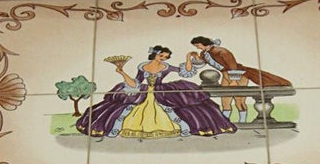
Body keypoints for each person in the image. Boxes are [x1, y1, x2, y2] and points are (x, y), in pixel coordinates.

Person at [82, 45, 234, 139]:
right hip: (144, 92)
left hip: (161, 92)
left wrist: (188, 57)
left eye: (165, 57)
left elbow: (185, 71)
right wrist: (121, 72)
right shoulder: (143, 66)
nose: (163, 59)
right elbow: (135, 83)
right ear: (154, 54)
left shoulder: (166, 67)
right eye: (161, 56)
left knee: (185, 104)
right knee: (123, 107)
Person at [184, 35, 293, 123]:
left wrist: (234, 80)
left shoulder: (222, 51)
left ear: (204, 43)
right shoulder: (204, 53)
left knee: (239, 100)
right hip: (225, 75)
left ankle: (242, 121)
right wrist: (191, 56)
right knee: (225, 101)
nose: (197, 47)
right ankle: (224, 121)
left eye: (198, 45)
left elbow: (232, 65)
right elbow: (199, 64)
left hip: (237, 74)